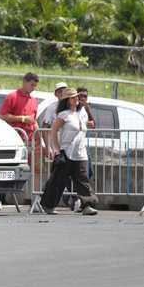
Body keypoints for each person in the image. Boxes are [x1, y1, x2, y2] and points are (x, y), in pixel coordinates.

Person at [40, 88, 98, 216]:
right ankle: (48, 205)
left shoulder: (82, 113)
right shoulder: (63, 115)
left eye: (76, 97)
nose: (76, 99)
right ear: (67, 100)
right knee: (58, 180)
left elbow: (88, 126)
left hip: (80, 153)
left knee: (83, 179)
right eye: (73, 97)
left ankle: (87, 205)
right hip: (66, 152)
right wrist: (56, 149)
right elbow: (54, 131)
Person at [0, 72, 39, 142]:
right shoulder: (12, 96)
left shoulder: (34, 100)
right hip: (13, 139)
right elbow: (2, 116)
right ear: (24, 82)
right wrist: (23, 118)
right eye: (32, 85)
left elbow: (34, 121)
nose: (33, 88)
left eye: (35, 86)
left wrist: (40, 139)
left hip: (29, 141)